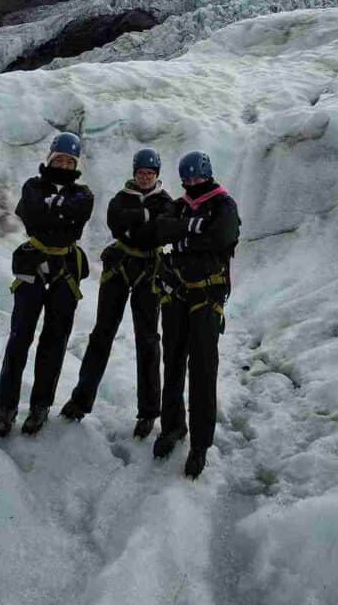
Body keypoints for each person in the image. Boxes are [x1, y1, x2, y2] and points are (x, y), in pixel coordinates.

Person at [60, 148, 172, 438]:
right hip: (121, 268)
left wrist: (136, 225)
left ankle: (149, 412)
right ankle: (80, 401)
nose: (145, 178)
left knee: (148, 340)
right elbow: (116, 223)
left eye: (149, 174)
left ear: (156, 175)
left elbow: (161, 232)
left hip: (147, 270)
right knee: (101, 335)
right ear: (134, 173)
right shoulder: (122, 199)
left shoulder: (165, 203)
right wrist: (145, 220)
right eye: (141, 173)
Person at [0, 132, 94, 438]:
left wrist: (52, 208)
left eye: (69, 161)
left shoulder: (84, 194)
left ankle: (40, 406)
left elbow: (74, 215)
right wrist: (58, 211)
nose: (63, 165)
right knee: (19, 337)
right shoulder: (33, 186)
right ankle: (6, 407)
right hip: (33, 266)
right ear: (50, 158)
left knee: (54, 341)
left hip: (63, 269)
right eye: (59, 159)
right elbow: (32, 214)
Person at [153, 151, 240, 478]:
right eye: (187, 179)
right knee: (172, 362)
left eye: (196, 177)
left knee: (203, 370)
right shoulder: (180, 204)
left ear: (207, 174)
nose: (192, 183)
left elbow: (222, 235)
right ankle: (173, 426)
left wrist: (183, 231)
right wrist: (192, 226)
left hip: (206, 296)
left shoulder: (224, 205)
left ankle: (200, 444)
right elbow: (160, 230)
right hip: (176, 293)